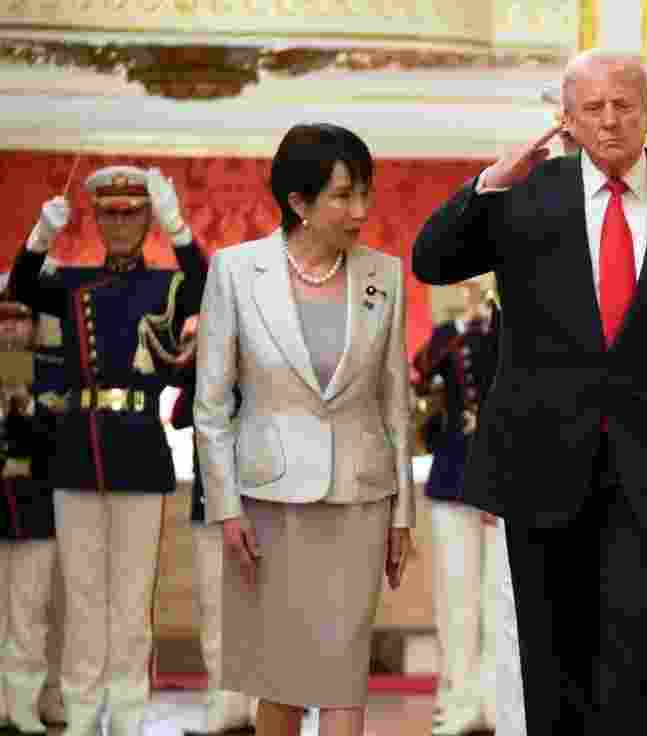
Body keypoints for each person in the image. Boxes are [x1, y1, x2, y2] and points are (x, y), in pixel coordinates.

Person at [412, 49, 647, 735]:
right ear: (568, 118)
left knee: (639, 655)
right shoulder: (525, 196)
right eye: (592, 107)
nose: (611, 120)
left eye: (625, 104)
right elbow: (432, 259)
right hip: (540, 463)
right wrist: (491, 181)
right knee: (553, 659)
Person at [193, 124, 416, 736]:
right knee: (282, 675)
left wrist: (403, 515)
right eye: (344, 196)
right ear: (298, 203)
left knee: (344, 671)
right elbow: (210, 406)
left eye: (364, 194)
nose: (360, 211)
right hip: (268, 502)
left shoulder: (384, 274)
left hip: (361, 498)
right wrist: (225, 508)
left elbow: (397, 400)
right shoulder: (236, 272)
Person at [10, 165, 206, 736]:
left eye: (132, 212)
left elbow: (207, 287)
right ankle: (79, 711)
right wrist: (40, 238)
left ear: (146, 219)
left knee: (129, 600)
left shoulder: (163, 282)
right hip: (77, 449)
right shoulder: (71, 281)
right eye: (110, 212)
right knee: (83, 597)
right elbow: (19, 290)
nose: (120, 223)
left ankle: (125, 714)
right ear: (95, 217)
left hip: (140, 450)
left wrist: (180, 229)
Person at [410, 275, 519, 736]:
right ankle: (459, 700)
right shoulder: (448, 334)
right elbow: (420, 372)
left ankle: (499, 703)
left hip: (503, 477)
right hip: (453, 473)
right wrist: (459, 327)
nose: (474, 289)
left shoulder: (512, 326)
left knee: (502, 599)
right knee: (457, 598)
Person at [167, 327, 258, 736]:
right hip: (212, 504)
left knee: (262, 609)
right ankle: (225, 705)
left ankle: (260, 708)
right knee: (215, 608)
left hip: (262, 503)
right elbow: (179, 414)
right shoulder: (206, 364)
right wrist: (199, 356)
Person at [0, 299, 58, 736]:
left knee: (30, 612)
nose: (12, 328)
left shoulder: (52, 371)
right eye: (3, 318)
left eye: (21, 317)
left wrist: (26, 406)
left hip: (35, 509)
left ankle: (23, 705)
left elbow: (58, 444)